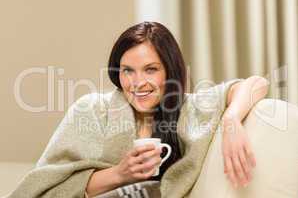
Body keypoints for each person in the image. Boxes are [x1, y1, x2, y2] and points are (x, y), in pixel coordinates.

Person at [6, 21, 269, 198]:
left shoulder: (189, 109)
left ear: (170, 71)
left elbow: (257, 83)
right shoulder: (91, 110)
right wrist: (120, 174)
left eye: (151, 70)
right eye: (127, 71)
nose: (137, 83)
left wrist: (232, 120)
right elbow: (47, 188)